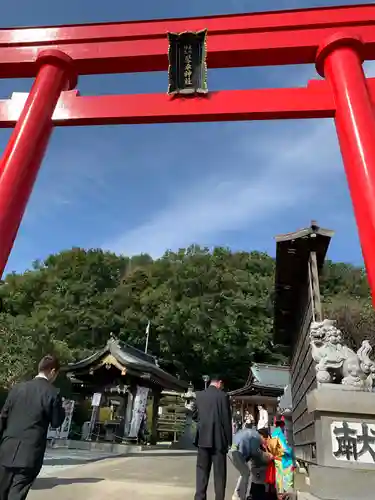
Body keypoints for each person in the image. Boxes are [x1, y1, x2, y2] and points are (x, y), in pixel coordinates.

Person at [0, 354, 65, 500]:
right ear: (53, 371)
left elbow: (3, 417)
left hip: (7, 449)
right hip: (30, 454)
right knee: (16, 494)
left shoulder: (17, 388)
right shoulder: (52, 393)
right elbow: (56, 422)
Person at [193, 375, 232, 500]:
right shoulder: (223, 396)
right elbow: (226, 420)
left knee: (201, 472)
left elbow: (194, 415)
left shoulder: (199, 395)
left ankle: (199, 497)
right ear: (220, 383)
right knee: (219, 474)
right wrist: (229, 441)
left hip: (203, 439)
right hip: (219, 440)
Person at [229, 425, 272, 500]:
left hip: (234, 451)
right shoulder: (256, 437)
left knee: (244, 473)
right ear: (262, 436)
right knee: (246, 473)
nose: (264, 443)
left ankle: (237, 494)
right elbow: (256, 453)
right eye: (265, 440)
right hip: (237, 452)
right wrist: (267, 456)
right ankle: (240, 496)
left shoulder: (252, 434)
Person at [270, 415, 295, 498]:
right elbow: (284, 449)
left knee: (279, 479)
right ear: (282, 425)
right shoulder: (280, 434)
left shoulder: (274, 433)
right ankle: (284, 496)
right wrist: (291, 450)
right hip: (284, 461)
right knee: (287, 483)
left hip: (277, 459)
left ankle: (280, 494)